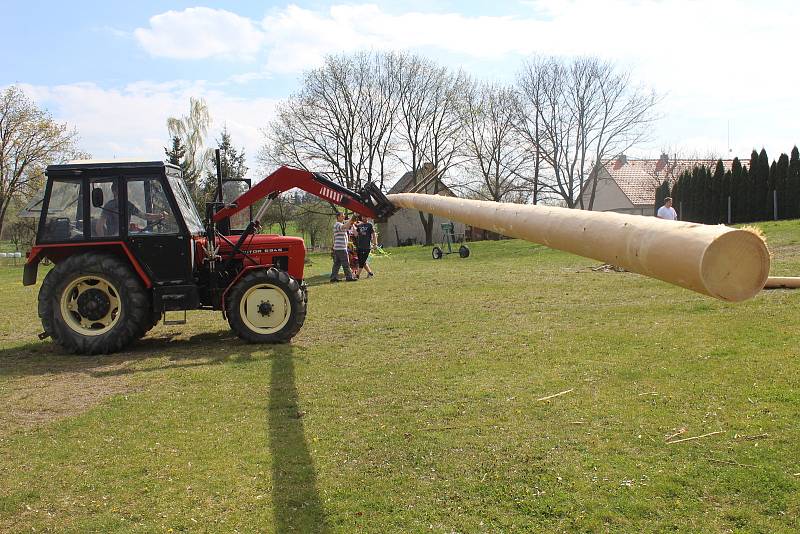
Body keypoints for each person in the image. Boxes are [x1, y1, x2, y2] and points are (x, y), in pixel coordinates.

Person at [95, 181, 166, 236]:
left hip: (123, 235)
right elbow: (99, 226)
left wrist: (159, 216)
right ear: (114, 191)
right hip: (116, 237)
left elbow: (144, 216)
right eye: (121, 189)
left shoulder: (127, 204)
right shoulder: (110, 206)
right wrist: (108, 242)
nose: (127, 191)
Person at [330, 212, 358, 282]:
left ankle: (333, 278)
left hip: (338, 248)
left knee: (337, 264)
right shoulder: (338, 224)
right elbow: (345, 226)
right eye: (342, 216)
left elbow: (348, 225)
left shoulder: (340, 224)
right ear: (338, 217)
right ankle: (349, 277)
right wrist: (353, 216)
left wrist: (353, 218)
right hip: (341, 248)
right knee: (346, 263)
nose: (344, 217)